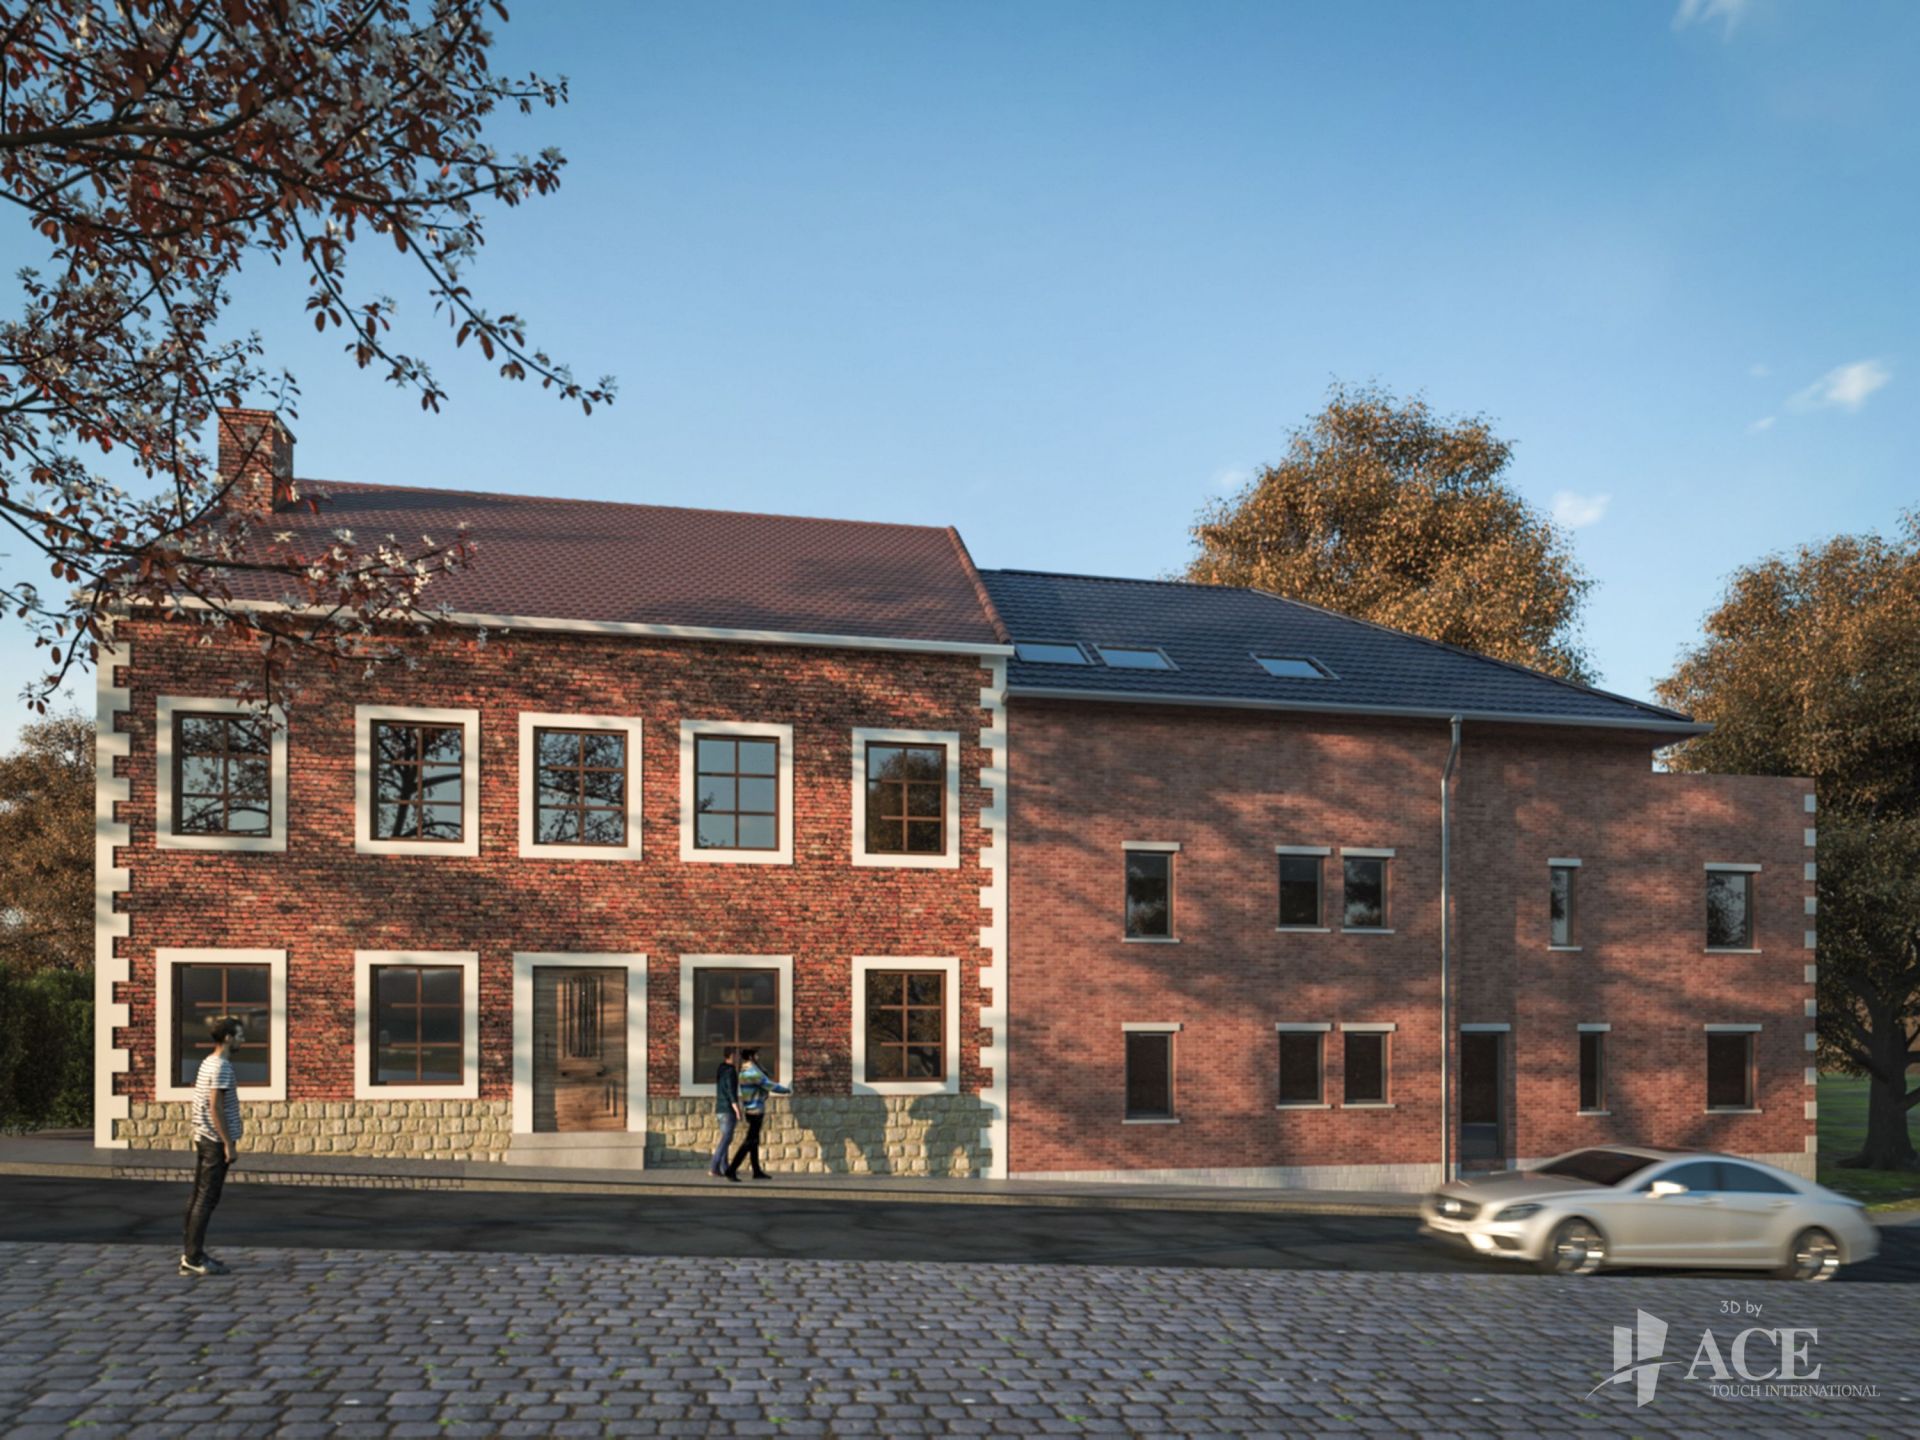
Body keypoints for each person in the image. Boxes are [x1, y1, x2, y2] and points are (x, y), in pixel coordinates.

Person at [180, 1015, 244, 1276]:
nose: (243, 1040)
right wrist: (228, 1144)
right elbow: (214, 1106)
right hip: (214, 1141)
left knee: (198, 1197)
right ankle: (193, 1258)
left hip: (204, 1137)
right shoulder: (221, 1067)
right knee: (206, 1199)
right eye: (239, 1035)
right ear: (227, 1038)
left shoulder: (207, 1063)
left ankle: (191, 1254)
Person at [725, 1047, 791, 1181]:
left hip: (751, 1109)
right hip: (755, 1110)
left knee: (754, 1141)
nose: (759, 1057)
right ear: (751, 1057)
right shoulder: (752, 1072)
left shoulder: (745, 1070)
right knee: (749, 1142)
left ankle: (756, 1171)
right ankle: (731, 1170)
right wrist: (786, 1090)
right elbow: (769, 1085)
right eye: (757, 1055)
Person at [709, 1045, 743, 1180]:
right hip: (728, 1110)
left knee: (725, 1139)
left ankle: (725, 1168)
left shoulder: (721, 1069)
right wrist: (737, 1110)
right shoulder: (731, 1071)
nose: (738, 1057)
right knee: (725, 1140)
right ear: (731, 1056)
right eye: (737, 1055)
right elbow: (731, 1093)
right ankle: (713, 1167)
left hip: (720, 1109)